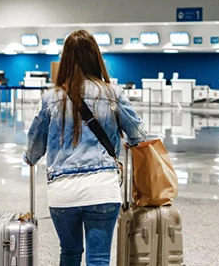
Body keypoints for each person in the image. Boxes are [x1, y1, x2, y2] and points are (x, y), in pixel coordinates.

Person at [24, 30, 147, 266]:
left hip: (62, 191)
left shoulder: (51, 97)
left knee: (69, 253)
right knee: (99, 259)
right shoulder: (113, 94)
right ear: (95, 57)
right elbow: (138, 136)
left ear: (66, 59)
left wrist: (30, 157)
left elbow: (34, 148)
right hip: (102, 188)